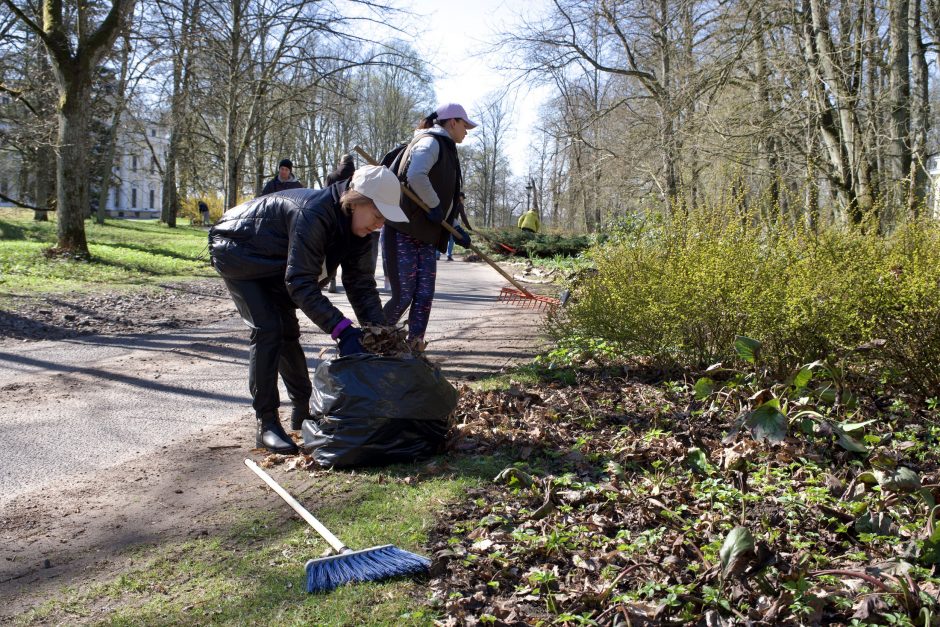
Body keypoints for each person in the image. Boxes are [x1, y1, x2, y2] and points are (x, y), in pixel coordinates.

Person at [208, 165, 407, 454]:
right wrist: (341, 330)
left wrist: (380, 335)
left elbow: (361, 284)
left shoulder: (361, 231)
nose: (379, 225)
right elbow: (300, 282)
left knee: (288, 331)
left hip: (276, 255)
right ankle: (266, 424)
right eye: (377, 216)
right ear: (356, 200)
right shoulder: (315, 213)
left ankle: (302, 410)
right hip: (238, 249)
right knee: (269, 329)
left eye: (384, 220)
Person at [383, 103, 476, 345]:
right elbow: (415, 175)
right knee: (403, 296)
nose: (466, 130)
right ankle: (368, 343)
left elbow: (444, 199)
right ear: (452, 122)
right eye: (464, 125)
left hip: (426, 236)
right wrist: (433, 205)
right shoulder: (430, 142)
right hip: (402, 231)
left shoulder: (447, 149)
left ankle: (415, 349)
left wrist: (455, 227)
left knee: (424, 296)